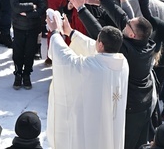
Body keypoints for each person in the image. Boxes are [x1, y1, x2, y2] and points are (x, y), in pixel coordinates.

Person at [75, 0, 156, 149]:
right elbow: (122, 17)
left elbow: (102, 35)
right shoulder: (146, 42)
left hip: (133, 108)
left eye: (128, 26)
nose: (125, 23)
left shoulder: (129, 52)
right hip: (146, 103)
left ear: (132, 35)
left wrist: (81, 9)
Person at [46, 10, 128, 148]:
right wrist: (71, 33)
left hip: (93, 127)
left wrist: (55, 33)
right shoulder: (122, 63)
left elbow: (66, 59)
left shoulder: (91, 67)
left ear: (101, 44)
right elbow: (94, 48)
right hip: (111, 124)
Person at [11, 0, 46, 89]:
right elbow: (15, 6)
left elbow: (42, 8)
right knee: (18, 52)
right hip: (19, 27)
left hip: (33, 27)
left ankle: (27, 74)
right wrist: (31, 6)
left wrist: (27, 14)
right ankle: (18, 73)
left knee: (30, 52)